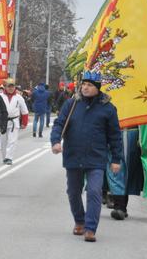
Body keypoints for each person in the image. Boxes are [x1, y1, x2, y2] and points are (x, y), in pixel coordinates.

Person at [50, 71, 123, 242]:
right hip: (73, 155)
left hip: (96, 157)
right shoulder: (71, 104)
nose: (85, 88)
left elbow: (115, 136)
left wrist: (116, 159)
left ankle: (90, 228)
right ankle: (79, 221)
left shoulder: (108, 108)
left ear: (97, 88)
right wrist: (55, 141)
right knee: (73, 192)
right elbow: (59, 124)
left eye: (89, 85)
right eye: (83, 84)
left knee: (94, 191)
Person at [0, 79, 29, 165]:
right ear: (5, 87)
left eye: (12, 86)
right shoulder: (0, 96)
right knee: (3, 141)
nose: (11, 88)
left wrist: (24, 122)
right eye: (9, 86)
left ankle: (9, 157)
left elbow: (24, 111)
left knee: (12, 141)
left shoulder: (19, 97)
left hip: (14, 121)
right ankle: (5, 157)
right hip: (3, 121)